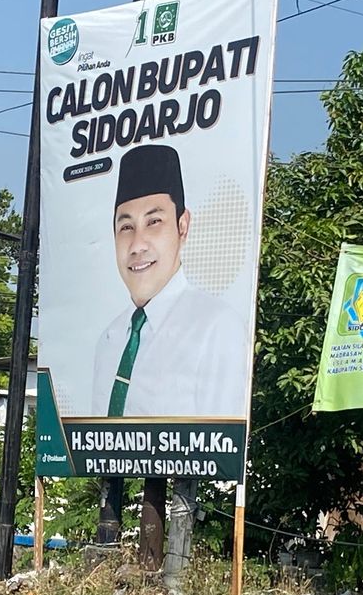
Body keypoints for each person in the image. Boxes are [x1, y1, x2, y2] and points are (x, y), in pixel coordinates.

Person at [91, 143, 250, 418]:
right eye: (126, 227)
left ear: (182, 225)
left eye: (154, 222)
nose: (137, 244)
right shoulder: (109, 340)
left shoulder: (216, 328)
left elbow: (221, 451)